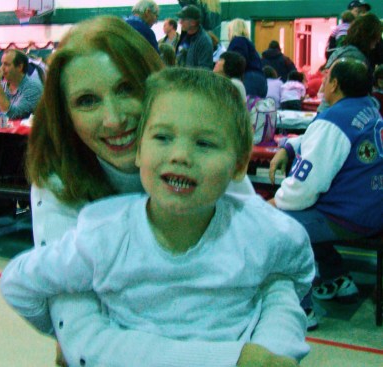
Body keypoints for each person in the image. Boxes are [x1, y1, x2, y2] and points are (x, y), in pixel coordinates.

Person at [23, 15, 311, 367]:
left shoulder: (203, 155)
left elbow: (273, 274)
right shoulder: (59, 182)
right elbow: (81, 338)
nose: (113, 119)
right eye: (86, 101)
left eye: (127, 88)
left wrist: (274, 350)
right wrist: (233, 359)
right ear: (65, 114)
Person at [268, 58, 383, 327]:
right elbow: (317, 139)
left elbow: (305, 188)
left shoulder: (335, 120)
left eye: (328, 77)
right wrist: (289, 147)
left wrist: (276, 202)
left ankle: (301, 309)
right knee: (310, 215)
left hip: (350, 217)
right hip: (372, 208)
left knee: (281, 224)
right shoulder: (369, 108)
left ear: (335, 84)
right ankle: (337, 278)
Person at [0, 49, 43, 120]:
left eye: (6, 64)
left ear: (20, 67)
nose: (2, 68)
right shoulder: (1, 87)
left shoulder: (33, 86)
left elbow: (12, 115)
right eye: (2, 64)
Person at [227, 18, 267, 98]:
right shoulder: (249, 44)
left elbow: (237, 62)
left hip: (248, 79)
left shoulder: (237, 41)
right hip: (260, 79)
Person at [176, 5, 213, 69]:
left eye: (183, 19)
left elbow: (204, 70)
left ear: (193, 22)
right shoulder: (184, 37)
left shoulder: (204, 41)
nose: (180, 22)